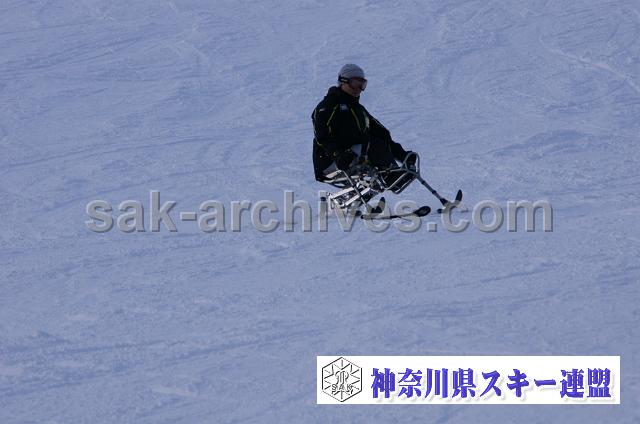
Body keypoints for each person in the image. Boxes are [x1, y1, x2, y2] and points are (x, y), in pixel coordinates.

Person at [312, 64, 415, 182]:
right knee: (373, 145)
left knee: (376, 140)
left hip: (353, 157)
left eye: (362, 85)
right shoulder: (328, 105)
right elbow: (322, 136)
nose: (358, 89)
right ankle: (391, 176)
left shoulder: (358, 110)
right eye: (355, 83)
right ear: (343, 81)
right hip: (330, 162)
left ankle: (391, 175)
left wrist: (402, 155)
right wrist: (338, 155)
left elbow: (382, 134)